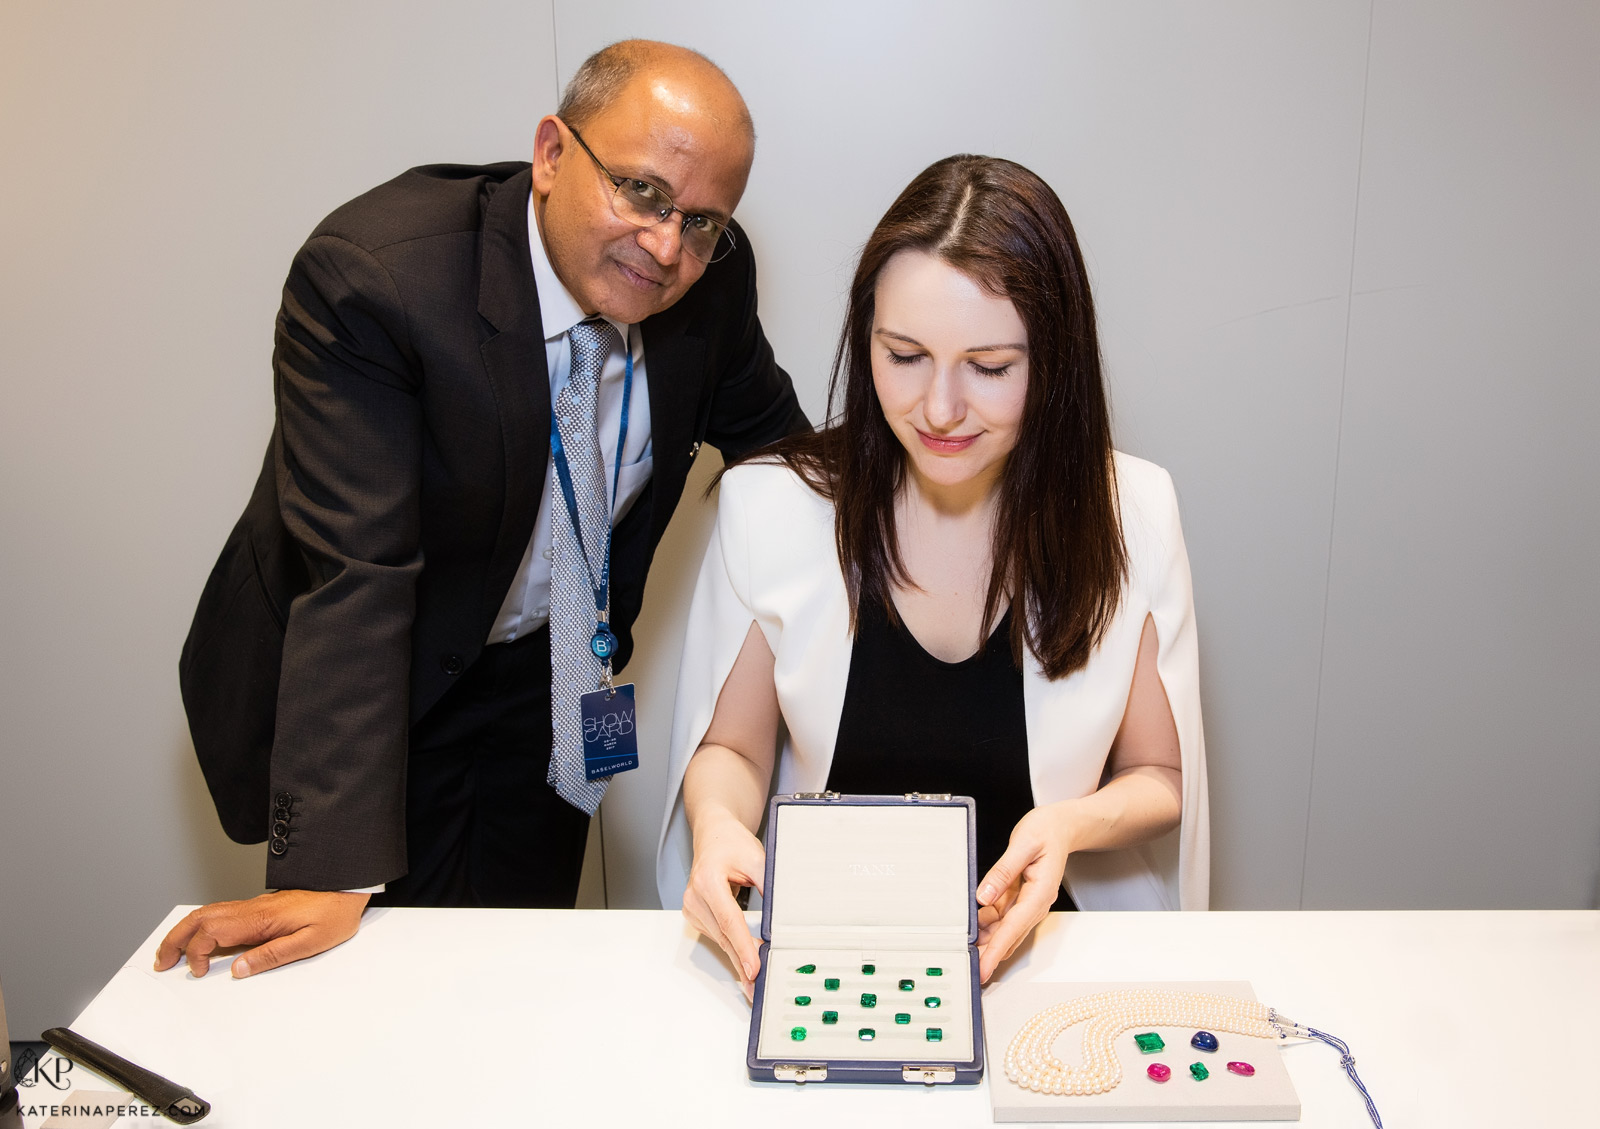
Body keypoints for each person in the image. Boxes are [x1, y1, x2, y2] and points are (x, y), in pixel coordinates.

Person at [158, 40, 807, 979]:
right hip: (385, 682)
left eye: (704, 221)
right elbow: (359, 573)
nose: (668, 247)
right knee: (365, 979)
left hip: (552, 683)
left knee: (517, 970)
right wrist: (333, 867)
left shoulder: (711, 284)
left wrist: (952, 493)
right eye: (643, 192)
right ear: (551, 153)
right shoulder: (377, 281)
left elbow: (786, 459)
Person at [657, 155, 1209, 995]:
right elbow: (732, 744)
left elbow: (1161, 777)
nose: (940, 409)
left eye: (990, 368)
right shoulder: (774, 506)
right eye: (905, 355)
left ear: (1054, 362)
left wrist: (1068, 823)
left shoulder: (1131, 509)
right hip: (829, 952)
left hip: (1046, 953)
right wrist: (719, 822)